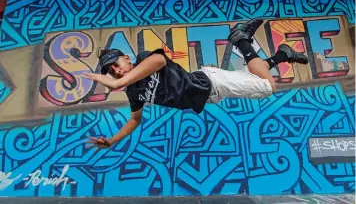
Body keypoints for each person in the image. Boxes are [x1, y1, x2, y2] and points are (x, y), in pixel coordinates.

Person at [84, 19, 308, 149]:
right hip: (210, 92)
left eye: (116, 64)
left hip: (211, 82)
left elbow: (160, 60)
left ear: (126, 58)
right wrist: (113, 140)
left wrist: (119, 82)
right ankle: (282, 55)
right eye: (111, 72)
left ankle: (240, 39)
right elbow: (135, 119)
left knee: (268, 86)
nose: (116, 70)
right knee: (253, 74)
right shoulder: (134, 91)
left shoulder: (144, 58)